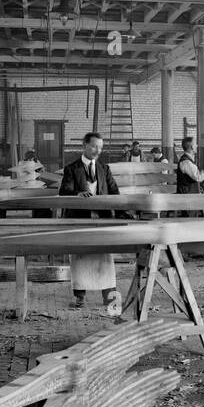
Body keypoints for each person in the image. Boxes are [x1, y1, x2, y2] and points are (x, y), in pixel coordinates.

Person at [59, 133, 122, 314]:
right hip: (79, 219)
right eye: (94, 146)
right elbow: (64, 191)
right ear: (84, 145)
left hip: (102, 220)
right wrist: (76, 195)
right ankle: (79, 297)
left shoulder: (104, 169)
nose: (97, 151)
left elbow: (115, 193)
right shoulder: (72, 169)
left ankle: (108, 297)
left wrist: (124, 215)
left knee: (105, 258)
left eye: (100, 148)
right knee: (80, 258)